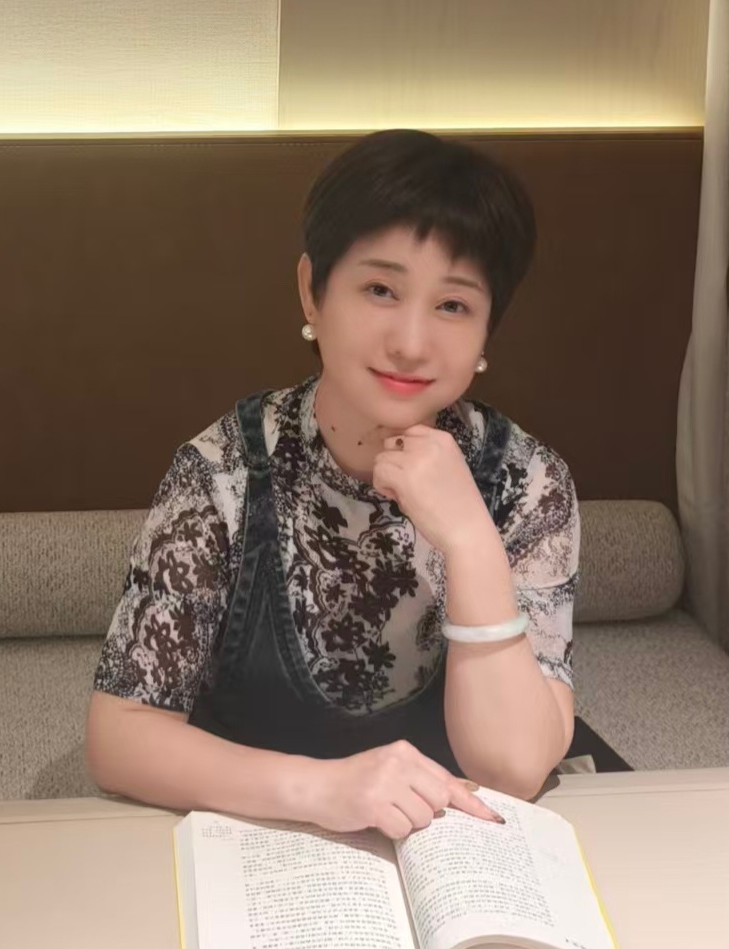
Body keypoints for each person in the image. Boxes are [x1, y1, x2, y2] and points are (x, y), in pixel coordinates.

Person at [87, 129, 588, 841]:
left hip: (446, 851)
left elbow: (512, 768)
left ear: (486, 333)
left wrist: (471, 540)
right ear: (312, 292)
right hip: (265, 836)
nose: (410, 343)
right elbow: (121, 734)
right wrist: (325, 789)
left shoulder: (529, 482)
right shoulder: (223, 471)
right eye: (380, 289)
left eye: (453, 305)